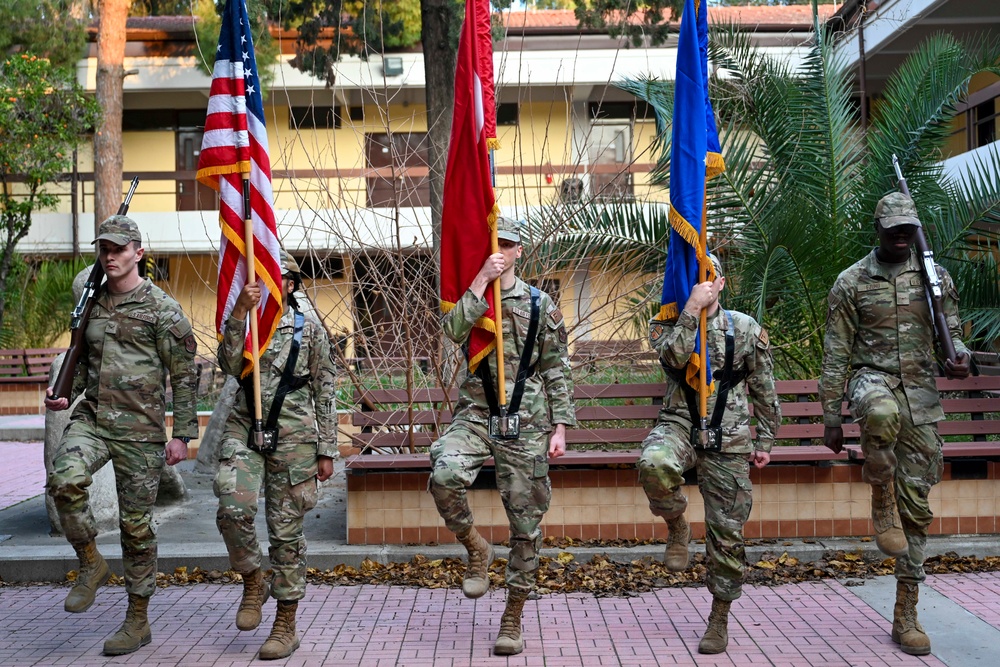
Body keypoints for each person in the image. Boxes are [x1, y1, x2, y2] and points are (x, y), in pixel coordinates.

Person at [819, 192, 970, 656]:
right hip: (872, 381)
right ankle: (879, 490)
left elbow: (955, 332)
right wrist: (831, 416)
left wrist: (958, 354)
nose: (902, 237)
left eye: (909, 229)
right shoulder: (851, 282)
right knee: (880, 414)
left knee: (918, 509)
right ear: (878, 228)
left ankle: (906, 614)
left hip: (921, 396)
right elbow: (836, 353)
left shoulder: (935, 277)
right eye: (894, 230)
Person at [45, 215, 199, 656]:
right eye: (104, 250)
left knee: (136, 528)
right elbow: (84, 362)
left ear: (138, 253)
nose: (109, 256)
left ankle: (137, 619)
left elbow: (184, 377)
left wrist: (182, 436)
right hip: (93, 419)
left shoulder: (162, 308)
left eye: (118, 249)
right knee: (64, 479)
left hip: (141, 430)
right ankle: (90, 563)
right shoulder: (90, 303)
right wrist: (63, 394)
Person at [429, 216, 575, 656]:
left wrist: (561, 426)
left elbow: (556, 367)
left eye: (507, 245)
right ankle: (476, 547)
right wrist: (479, 281)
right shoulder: (475, 297)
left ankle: (513, 615)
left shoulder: (538, 303)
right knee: (444, 476)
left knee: (525, 525)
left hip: (527, 421)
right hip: (476, 414)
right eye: (495, 245)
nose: (501, 251)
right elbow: (451, 331)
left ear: (519, 251)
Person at [638, 253, 779, 655]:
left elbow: (765, 388)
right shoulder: (666, 321)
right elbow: (674, 359)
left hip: (729, 437)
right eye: (695, 277)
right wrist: (691, 310)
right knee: (654, 463)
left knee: (727, 534)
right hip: (679, 424)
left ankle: (719, 617)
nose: (702, 282)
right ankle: (677, 524)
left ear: (721, 281)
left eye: (709, 277)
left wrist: (766, 440)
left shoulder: (745, 327)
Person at [214, 249, 337, 661]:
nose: (270, 283)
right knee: (232, 507)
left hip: (296, 435)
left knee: (286, 534)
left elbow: (325, 386)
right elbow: (230, 365)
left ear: (290, 281)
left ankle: (286, 622)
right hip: (245, 426)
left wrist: (327, 448)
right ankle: (252, 578)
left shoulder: (309, 324)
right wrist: (238, 313)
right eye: (263, 275)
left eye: (278, 277)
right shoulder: (246, 315)